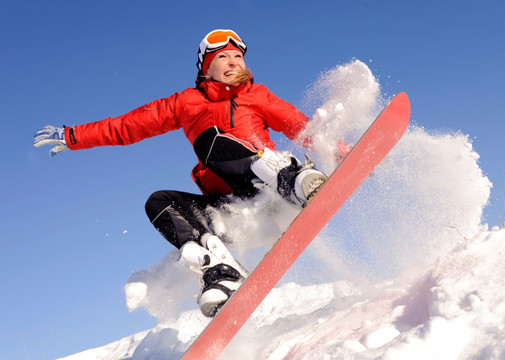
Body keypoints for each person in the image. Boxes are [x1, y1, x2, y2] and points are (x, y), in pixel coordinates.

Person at [33, 29, 340, 317]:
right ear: (206, 67)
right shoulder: (186, 103)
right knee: (159, 201)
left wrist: (342, 151)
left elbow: (303, 127)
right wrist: (73, 137)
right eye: (222, 57)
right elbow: (127, 126)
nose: (233, 62)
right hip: (240, 209)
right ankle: (221, 269)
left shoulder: (257, 95)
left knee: (211, 141)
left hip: (274, 191)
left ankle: (292, 181)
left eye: (238, 57)